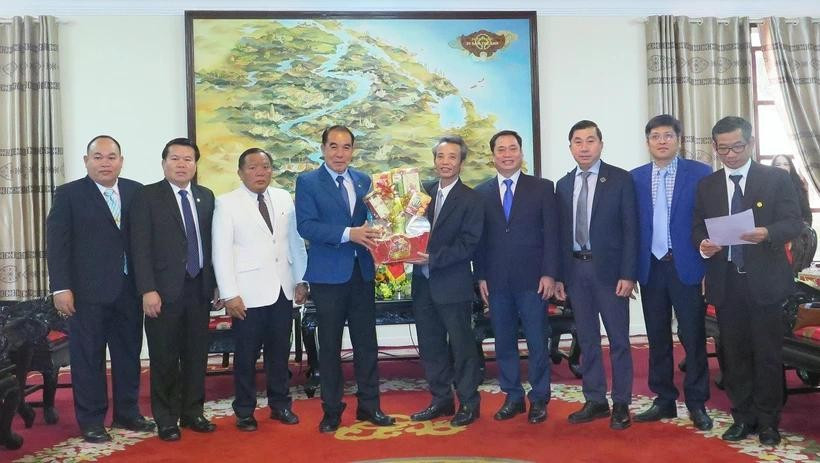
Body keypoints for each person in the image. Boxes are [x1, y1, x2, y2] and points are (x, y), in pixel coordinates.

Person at [693, 116, 802, 446]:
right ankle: (743, 416)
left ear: (750, 144)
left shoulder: (775, 179)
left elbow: (794, 222)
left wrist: (767, 233)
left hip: (765, 282)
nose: (730, 154)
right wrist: (703, 244)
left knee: (767, 353)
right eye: (723, 148)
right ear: (714, 148)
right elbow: (697, 226)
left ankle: (768, 420)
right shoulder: (708, 185)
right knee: (734, 354)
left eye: (736, 146)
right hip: (726, 281)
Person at [46, 135, 155, 443]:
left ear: (121, 160)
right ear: (86, 161)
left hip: (129, 290)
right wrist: (61, 287)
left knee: (128, 355)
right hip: (85, 294)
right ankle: (92, 420)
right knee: (89, 357)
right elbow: (57, 245)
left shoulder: (136, 191)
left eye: (111, 157)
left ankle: (127, 412)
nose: (105, 162)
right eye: (98, 157)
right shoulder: (69, 194)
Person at [294, 125, 394, 433]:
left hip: (361, 273)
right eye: (334, 146)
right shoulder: (308, 182)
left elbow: (376, 221)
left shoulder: (364, 180)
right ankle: (332, 410)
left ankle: (369, 407)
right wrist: (349, 234)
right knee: (330, 348)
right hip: (328, 277)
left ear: (353, 150)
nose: (340, 153)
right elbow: (306, 226)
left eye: (346, 147)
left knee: (367, 345)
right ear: (322, 148)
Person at [212, 148, 308, 431]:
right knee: (246, 356)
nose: (260, 172)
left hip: (282, 289)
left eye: (265, 166)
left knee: (280, 353)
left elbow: (295, 242)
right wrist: (229, 293)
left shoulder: (282, 198)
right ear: (240, 172)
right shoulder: (226, 203)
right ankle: (244, 411)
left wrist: (301, 279)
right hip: (247, 294)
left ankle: (281, 405)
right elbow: (221, 251)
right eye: (253, 167)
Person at [129, 137, 217, 442]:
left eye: (189, 159)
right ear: (164, 162)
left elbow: (212, 246)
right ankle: (166, 418)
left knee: (196, 356)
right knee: (164, 357)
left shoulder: (206, 197)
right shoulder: (147, 196)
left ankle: (193, 412)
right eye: (176, 159)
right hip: (162, 293)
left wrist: (216, 284)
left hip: (199, 290)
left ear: (195, 164)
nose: (182, 164)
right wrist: (147, 290)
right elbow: (138, 248)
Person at [630, 115, 713, 430]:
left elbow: (708, 221)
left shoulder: (700, 174)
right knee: (657, 337)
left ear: (679, 139)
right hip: (651, 267)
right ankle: (663, 399)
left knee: (692, 337)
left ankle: (697, 402)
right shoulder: (635, 178)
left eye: (668, 135)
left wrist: (709, 266)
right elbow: (631, 227)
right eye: (655, 136)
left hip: (687, 266)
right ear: (648, 141)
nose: (661, 141)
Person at [555, 120, 637, 430]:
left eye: (590, 140)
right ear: (571, 147)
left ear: (601, 144)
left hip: (611, 273)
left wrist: (629, 274)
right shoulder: (562, 185)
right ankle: (595, 399)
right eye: (578, 141)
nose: (584, 147)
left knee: (618, 340)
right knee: (587, 339)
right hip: (576, 271)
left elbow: (631, 230)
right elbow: (560, 234)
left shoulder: (619, 179)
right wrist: (560, 275)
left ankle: (621, 403)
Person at [474, 130, 559, 424]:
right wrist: (481, 275)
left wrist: (550, 273)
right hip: (497, 281)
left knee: (537, 340)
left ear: (522, 153)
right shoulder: (481, 192)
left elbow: (552, 234)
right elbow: (480, 240)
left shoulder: (542, 188)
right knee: (504, 341)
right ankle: (512, 396)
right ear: (492, 156)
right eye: (501, 150)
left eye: (513, 148)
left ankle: (539, 398)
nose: (507, 154)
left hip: (534, 279)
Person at [409, 136, 484, 427]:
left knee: (462, 347)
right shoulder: (422, 194)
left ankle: (468, 403)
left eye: (452, 157)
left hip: (452, 284)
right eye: (441, 156)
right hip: (423, 285)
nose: (445, 162)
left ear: (461, 161)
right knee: (430, 346)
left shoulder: (472, 199)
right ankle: (441, 400)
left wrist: (432, 258)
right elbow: (406, 228)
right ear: (434, 160)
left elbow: (469, 244)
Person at [771, 155, 812, 226]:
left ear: (790, 167)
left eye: (786, 164)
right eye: (778, 164)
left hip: (797, 230)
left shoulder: (798, 186)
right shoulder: (767, 187)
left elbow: (807, 213)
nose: (782, 167)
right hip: (775, 231)